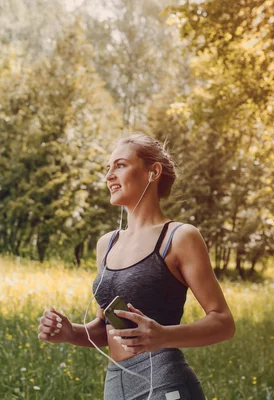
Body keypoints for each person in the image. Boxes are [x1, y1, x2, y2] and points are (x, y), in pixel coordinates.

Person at [38, 132, 235, 399]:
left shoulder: (179, 237)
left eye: (120, 165)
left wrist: (163, 336)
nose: (109, 176)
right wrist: (70, 332)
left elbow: (223, 322)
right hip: (115, 385)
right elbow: (104, 329)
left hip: (165, 383)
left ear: (153, 172)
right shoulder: (107, 244)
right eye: (108, 168)